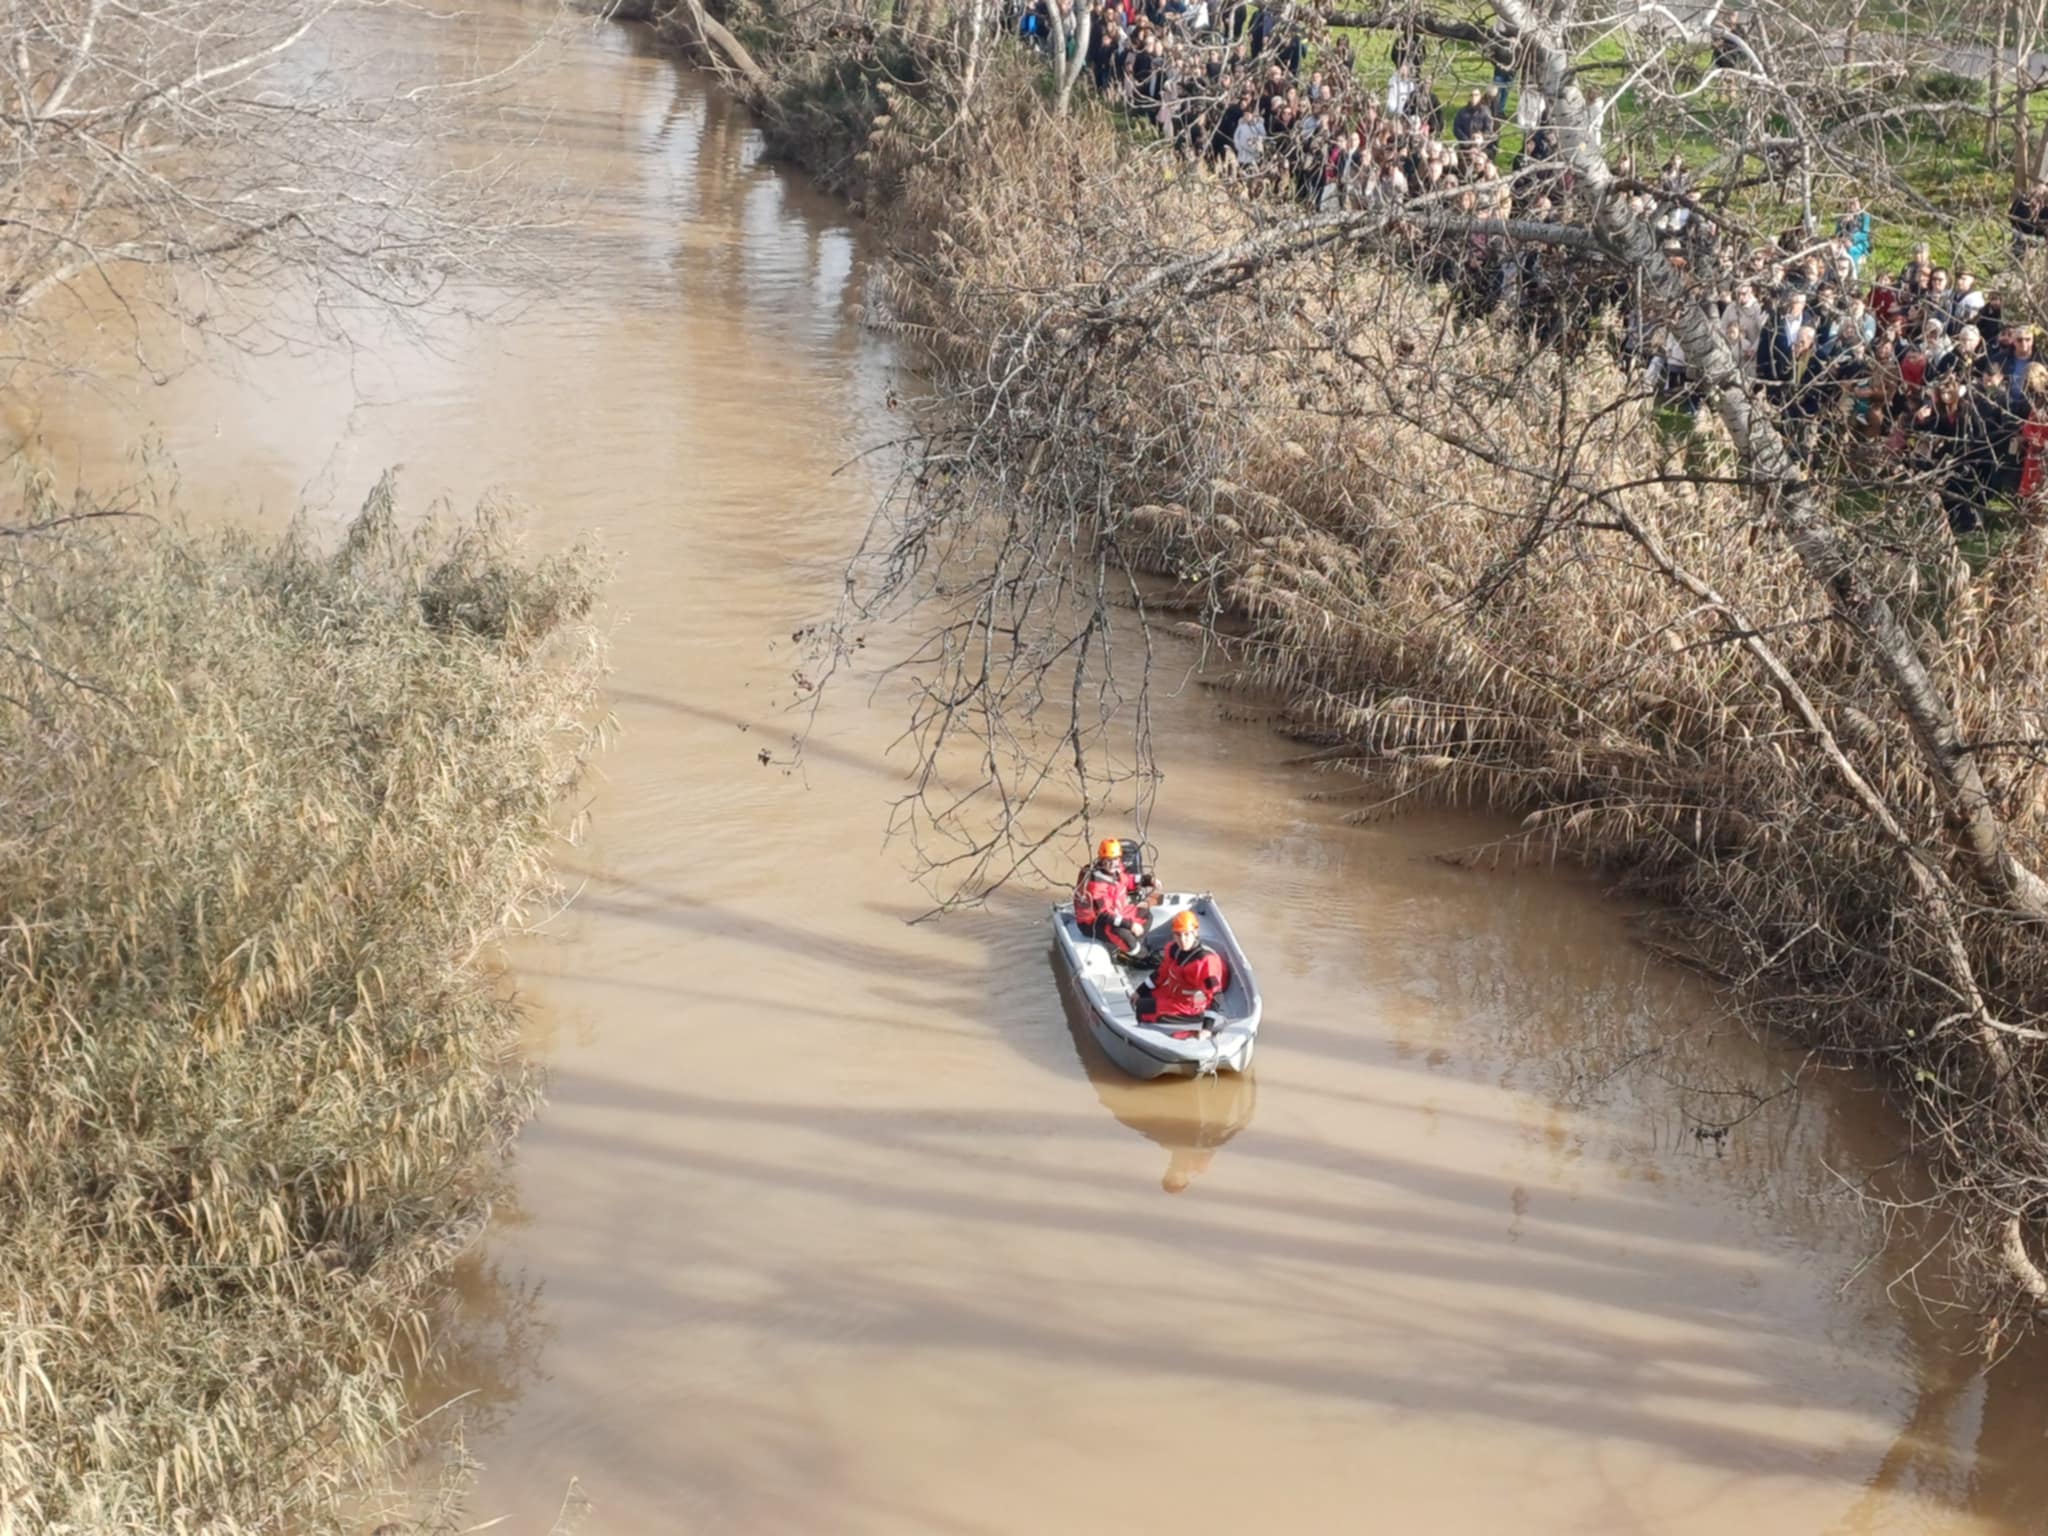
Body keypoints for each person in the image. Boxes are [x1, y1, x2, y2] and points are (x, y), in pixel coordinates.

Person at [1135, 909, 1232, 1026]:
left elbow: (1216, 995)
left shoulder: (1205, 962)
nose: (1182, 940)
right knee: (1141, 999)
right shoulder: (1172, 949)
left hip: (1193, 1007)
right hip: (1174, 995)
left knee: (1143, 1011)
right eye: (1178, 934)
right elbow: (1160, 974)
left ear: (1195, 932)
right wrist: (1139, 991)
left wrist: (1207, 1028)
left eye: (1187, 934)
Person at [1073, 838, 1157, 959]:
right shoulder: (1095, 884)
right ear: (1102, 860)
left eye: (1116, 859)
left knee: (1146, 915)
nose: (1113, 864)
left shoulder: (1116, 871)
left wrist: (1148, 880)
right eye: (1109, 860)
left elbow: (1129, 880)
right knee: (1122, 932)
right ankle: (1140, 956)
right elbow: (1104, 915)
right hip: (1095, 923)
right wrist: (1129, 925)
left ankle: (1131, 948)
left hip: (1116, 911)